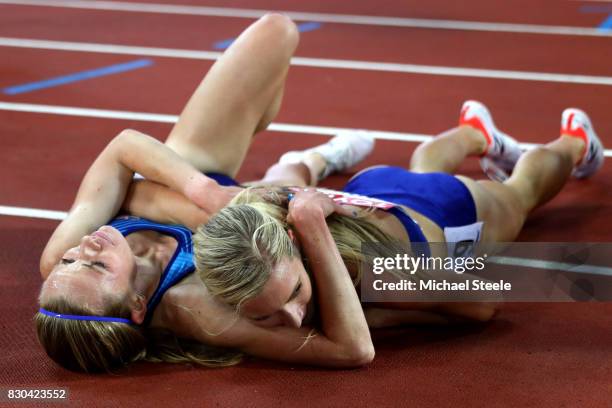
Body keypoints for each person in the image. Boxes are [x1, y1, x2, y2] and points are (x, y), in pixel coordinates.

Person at [35, 14, 374, 373]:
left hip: (209, 187)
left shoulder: (58, 256)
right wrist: (150, 198)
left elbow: (124, 147)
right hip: (270, 227)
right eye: (98, 266)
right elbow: (351, 349)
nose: (85, 248)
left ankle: (302, 167)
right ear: (137, 303)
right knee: (426, 274)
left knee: (275, 32)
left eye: (69, 262)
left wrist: (207, 193)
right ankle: (312, 162)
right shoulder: (195, 309)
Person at [194, 101, 604, 364]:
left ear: (300, 246)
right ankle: (473, 133)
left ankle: (573, 144)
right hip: (368, 187)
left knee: (520, 193)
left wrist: (375, 314)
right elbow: (282, 177)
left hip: (449, 209)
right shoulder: (250, 231)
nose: (293, 319)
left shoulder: (380, 272)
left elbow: (484, 301)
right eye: (264, 316)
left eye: (293, 294)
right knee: (422, 166)